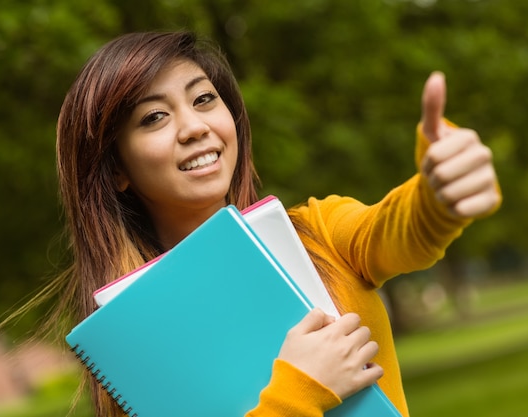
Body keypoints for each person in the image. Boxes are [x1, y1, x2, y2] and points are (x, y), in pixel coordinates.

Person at [53, 31, 500, 417]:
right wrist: (300, 390)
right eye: (154, 117)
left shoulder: (318, 232)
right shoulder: (133, 340)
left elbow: (397, 230)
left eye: (204, 99)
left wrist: (438, 196)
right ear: (116, 170)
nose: (194, 127)